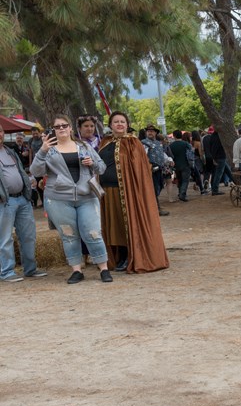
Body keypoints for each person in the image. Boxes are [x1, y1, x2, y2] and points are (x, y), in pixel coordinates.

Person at [30, 115, 112, 284]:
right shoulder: (48, 150)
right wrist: (43, 150)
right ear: (53, 130)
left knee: (93, 232)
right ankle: (76, 270)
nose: (61, 128)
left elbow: (102, 167)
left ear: (70, 128)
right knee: (69, 235)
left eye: (64, 125)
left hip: (86, 196)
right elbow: (36, 171)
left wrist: (92, 164)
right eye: (57, 126)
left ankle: (104, 268)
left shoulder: (83, 146)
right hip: (59, 198)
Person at [97, 111, 169, 273]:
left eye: (123, 121)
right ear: (110, 125)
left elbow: (140, 170)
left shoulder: (133, 143)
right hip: (107, 192)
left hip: (127, 191)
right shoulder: (105, 142)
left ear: (127, 125)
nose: (120, 124)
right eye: (116, 122)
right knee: (113, 226)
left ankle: (131, 255)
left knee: (126, 224)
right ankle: (119, 256)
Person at [1, 124, 46, 282]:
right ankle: (6, 272)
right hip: (4, 202)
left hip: (23, 199)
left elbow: (20, 170)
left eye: (0, 131)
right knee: (5, 238)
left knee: (28, 236)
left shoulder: (10, 151)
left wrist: (28, 183)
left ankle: (30, 269)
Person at [169, 130, 193, 202]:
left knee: (180, 180)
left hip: (176, 165)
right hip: (186, 164)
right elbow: (191, 152)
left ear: (174, 136)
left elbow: (170, 155)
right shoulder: (186, 144)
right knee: (185, 180)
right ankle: (182, 194)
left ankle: (180, 193)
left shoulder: (171, 145)